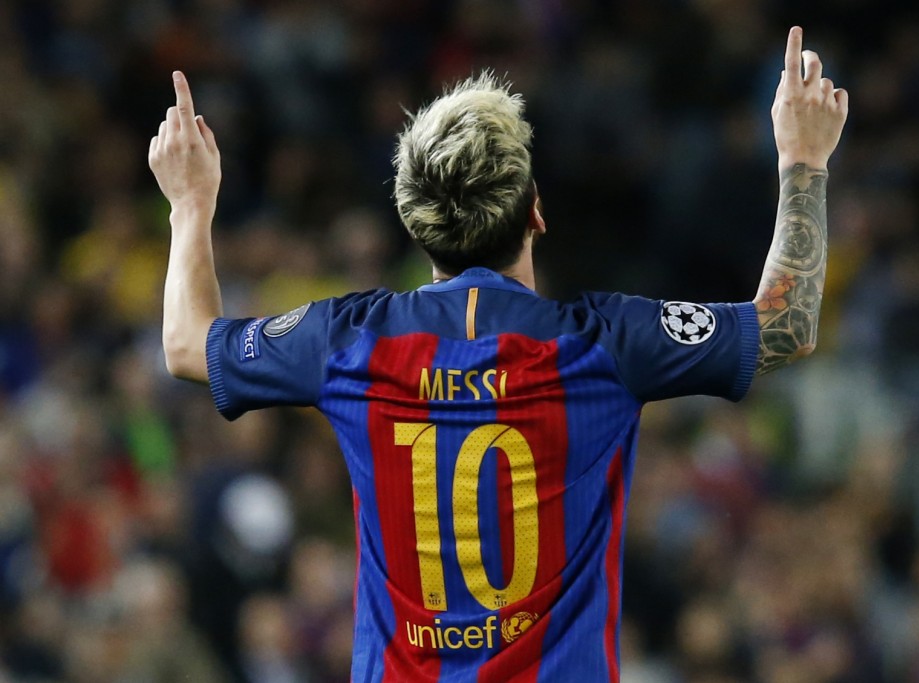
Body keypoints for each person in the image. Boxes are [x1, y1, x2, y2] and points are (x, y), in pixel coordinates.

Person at [149, 25, 847, 683]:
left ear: (415, 225)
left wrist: (190, 204)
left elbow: (187, 343)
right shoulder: (601, 343)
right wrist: (804, 161)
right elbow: (786, 325)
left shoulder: (348, 341)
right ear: (536, 211)